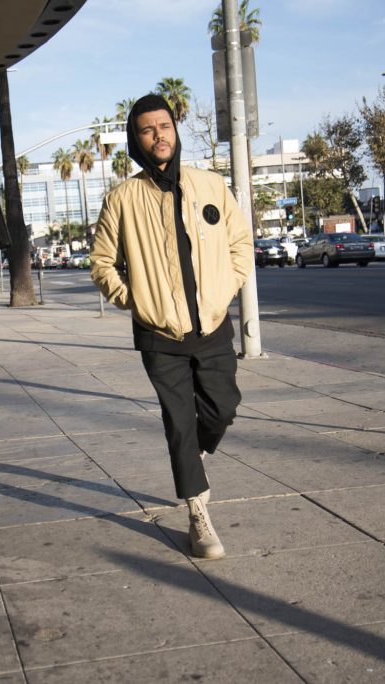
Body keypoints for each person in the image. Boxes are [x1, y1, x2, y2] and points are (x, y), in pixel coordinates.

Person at [89, 95, 252, 560]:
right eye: (147, 129)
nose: (158, 135)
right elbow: (102, 263)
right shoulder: (122, 198)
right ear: (136, 141)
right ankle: (198, 514)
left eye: (164, 126)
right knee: (180, 424)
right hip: (160, 335)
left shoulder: (211, 186)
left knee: (223, 409)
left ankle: (193, 461)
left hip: (214, 325)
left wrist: (225, 289)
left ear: (175, 130)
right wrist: (136, 301)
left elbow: (240, 242)